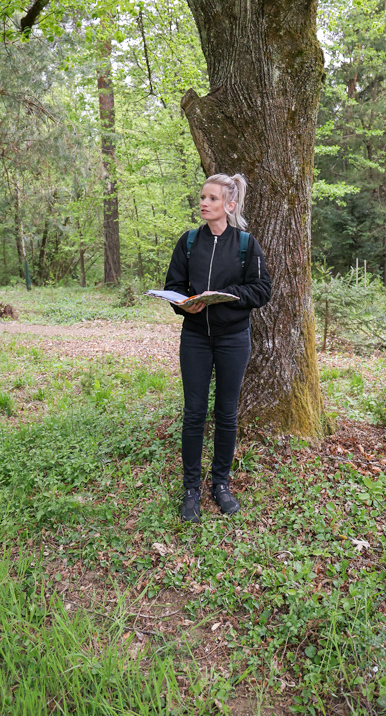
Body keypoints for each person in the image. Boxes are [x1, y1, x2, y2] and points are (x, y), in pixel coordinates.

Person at [164, 173, 271, 522]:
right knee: (194, 413)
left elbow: (262, 290)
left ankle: (221, 484)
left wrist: (226, 296)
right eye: (202, 197)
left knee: (226, 413)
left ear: (230, 204)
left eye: (212, 198)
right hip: (195, 338)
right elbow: (174, 286)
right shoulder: (188, 242)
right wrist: (185, 305)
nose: (204, 203)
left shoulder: (246, 244)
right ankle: (191, 489)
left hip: (233, 339)